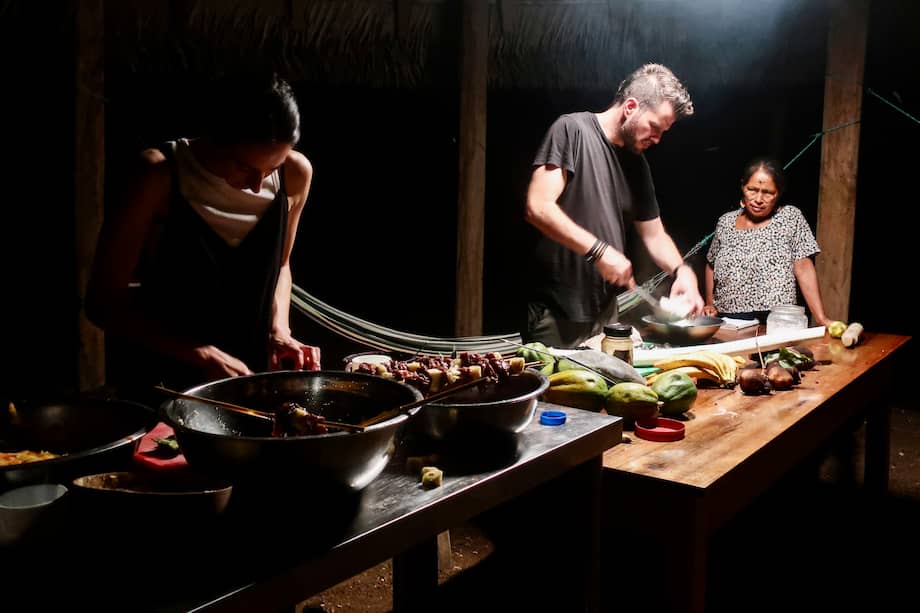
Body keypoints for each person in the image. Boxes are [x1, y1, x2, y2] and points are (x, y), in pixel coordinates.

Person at [86, 72, 321, 401]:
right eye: (244, 167)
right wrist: (201, 353)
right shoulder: (158, 175)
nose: (257, 184)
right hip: (166, 383)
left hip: (249, 381)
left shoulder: (295, 173)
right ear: (215, 137)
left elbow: (281, 265)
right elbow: (102, 303)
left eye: (271, 169)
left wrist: (279, 328)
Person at [522, 62, 704, 348]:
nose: (657, 138)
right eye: (654, 127)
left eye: (663, 132)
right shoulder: (572, 130)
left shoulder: (637, 163)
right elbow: (538, 206)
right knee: (555, 392)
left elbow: (654, 235)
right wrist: (599, 251)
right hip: (556, 313)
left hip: (606, 313)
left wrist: (683, 272)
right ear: (631, 106)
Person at [702, 156, 832, 327]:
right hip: (729, 322)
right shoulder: (726, 222)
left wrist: (821, 318)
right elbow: (712, 264)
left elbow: (803, 267)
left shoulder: (790, 217)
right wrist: (710, 304)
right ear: (743, 186)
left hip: (777, 321)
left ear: (779, 192)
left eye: (768, 193)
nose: (758, 199)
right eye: (752, 190)